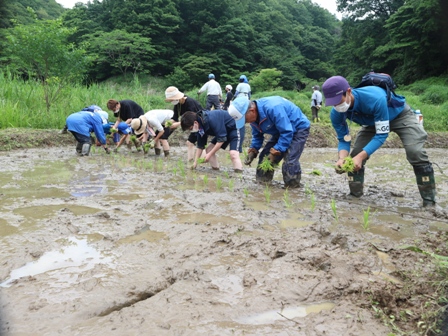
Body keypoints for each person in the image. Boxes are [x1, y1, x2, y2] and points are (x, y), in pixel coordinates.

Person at [322, 75, 436, 207]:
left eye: (338, 101)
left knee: (415, 151)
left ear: (348, 92)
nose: (336, 105)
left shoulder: (375, 98)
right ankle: (355, 197)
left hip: (400, 116)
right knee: (355, 155)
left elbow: (382, 135)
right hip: (372, 123)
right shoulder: (336, 113)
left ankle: (429, 202)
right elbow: (343, 138)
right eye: (332, 103)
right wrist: (342, 158)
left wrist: (360, 157)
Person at [229, 96, 310, 188]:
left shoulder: (273, 108)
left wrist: (277, 150)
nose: (246, 122)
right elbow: (257, 135)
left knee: (290, 160)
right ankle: (263, 184)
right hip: (280, 130)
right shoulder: (253, 118)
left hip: (298, 128)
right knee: (265, 157)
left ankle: (293, 187)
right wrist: (253, 149)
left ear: (252, 111)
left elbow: (287, 131)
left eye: (245, 120)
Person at [164, 86, 203, 161]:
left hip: (200, 124)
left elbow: (192, 119)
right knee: (190, 143)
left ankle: (202, 161)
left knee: (200, 144)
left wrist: (178, 124)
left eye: (172, 99)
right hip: (193, 126)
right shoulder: (177, 104)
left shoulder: (190, 102)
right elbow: (175, 118)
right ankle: (191, 161)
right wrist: (169, 122)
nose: (171, 101)